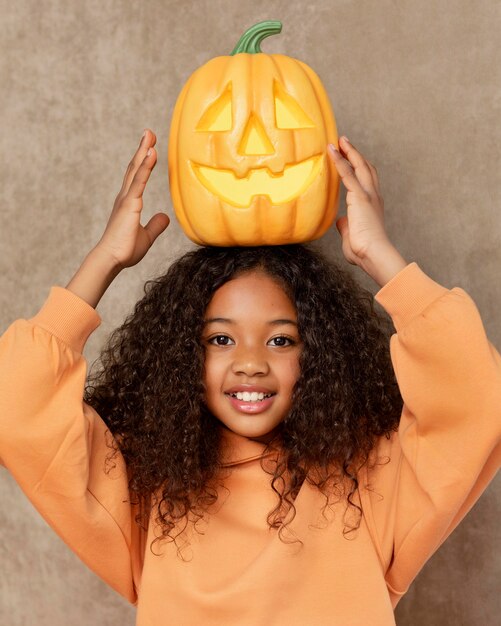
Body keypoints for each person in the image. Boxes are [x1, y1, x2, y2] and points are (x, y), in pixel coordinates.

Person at [0, 129, 499, 626]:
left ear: (320, 355)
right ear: (181, 355)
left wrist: (380, 257)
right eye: (220, 339)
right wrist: (104, 259)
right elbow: (18, 406)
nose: (250, 363)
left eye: (281, 340)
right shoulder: (147, 489)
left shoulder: (369, 483)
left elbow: (477, 402)